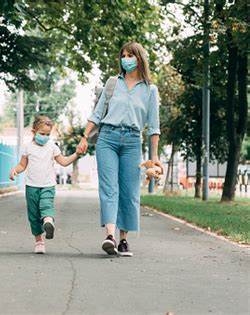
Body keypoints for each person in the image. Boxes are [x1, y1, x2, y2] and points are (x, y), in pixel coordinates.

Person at [77, 42, 162, 257]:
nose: (126, 59)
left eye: (130, 55)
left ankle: (124, 240)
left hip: (133, 141)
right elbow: (97, 114)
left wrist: (154, 157)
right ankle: (110, 236)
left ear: (139, 58)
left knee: (129, 191)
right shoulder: (113, 83)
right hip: (108, 138)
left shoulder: (150, 90)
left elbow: (153, 127)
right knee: (109, 188)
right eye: (123, 55)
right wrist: (84, 136)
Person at [9, 115, 80, 254]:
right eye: (42, 134)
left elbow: (64, 162)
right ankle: (39, 242)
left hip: (48, 185)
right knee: (34, 216)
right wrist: (14, 171)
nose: (45, 137)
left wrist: (76, 154)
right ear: (34, 132)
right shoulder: (28, 148)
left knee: (46, 205)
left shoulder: (52, 147)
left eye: (48, 134)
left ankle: (48, 222)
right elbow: (22, 165)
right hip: (31, 186)